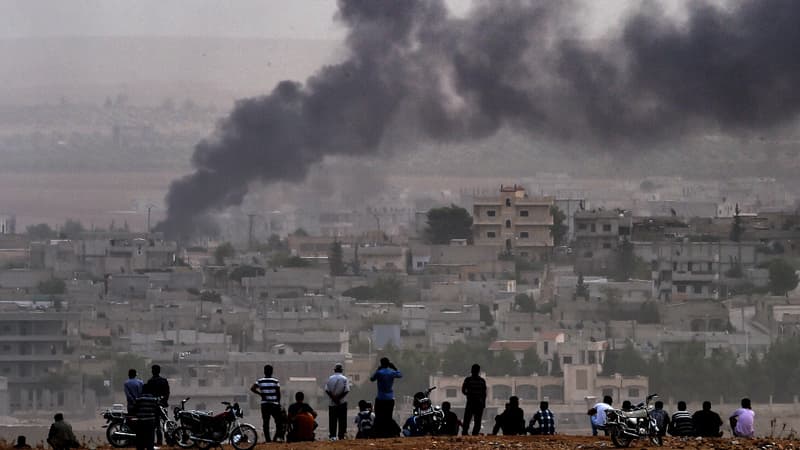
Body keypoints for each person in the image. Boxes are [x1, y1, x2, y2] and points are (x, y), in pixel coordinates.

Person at [370, 357, 402, 437]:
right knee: (388, 416)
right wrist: (394, 367)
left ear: (381, 364)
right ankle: (390, 433)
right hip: (390, 398)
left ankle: (378, 433)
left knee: (379, 416)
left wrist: (377, 369)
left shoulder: (379, 373)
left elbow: (372, 379)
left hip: (380, 398)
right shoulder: (391, 372)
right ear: (388, 364)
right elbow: (400, 375)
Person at [250, 364, 282, 442]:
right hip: (274, 404)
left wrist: (260, 394)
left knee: (266, 422)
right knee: (278, 422)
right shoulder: (275, 381)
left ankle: (268, 440)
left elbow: (252, 388)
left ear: (264, 371)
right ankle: (275, 438)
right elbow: (278, 393)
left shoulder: (260, 381)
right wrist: (278, 402)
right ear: (272, 372)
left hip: (265, 405)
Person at [144, 364, 170, 446]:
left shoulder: (150, 381)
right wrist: (163, 401)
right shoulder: (164, 381)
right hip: (162, 405)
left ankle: (159, 441)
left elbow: (147, 393)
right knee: (166, 423)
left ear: (153, 371)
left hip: (153, 406)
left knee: (156, 425)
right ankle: (169, 440)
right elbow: (167, 393)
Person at [324, 362, 350, 441]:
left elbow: (327, 390)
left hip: (332, 403)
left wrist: (334, 398)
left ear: (334, 370)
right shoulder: (344, 379)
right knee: (342, 420)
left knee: (332, 420)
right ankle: (341, 436)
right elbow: (347, 390)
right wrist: (339, 399)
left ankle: (332, 436)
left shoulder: (330, 378)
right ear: (341, 370)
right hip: (342, 403)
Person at [461, 363, 487, 436]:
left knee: (467, 419)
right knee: (477, 420)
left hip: (471, 403)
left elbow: (463, 390)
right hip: (478, 403)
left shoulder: (468, 380)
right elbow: (484, 394)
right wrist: (483, 403)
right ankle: (474, 433)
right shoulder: (482, 381)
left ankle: (465, 432)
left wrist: (468, 394)